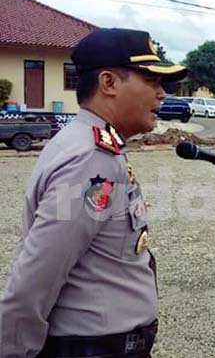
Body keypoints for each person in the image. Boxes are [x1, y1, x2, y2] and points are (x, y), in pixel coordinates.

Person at [0, 28, 187, 358]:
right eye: (151, 80)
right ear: (109, 83)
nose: (162, 94)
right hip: (93, 347)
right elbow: (37, 273)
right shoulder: (89, 157)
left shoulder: (95, 143)